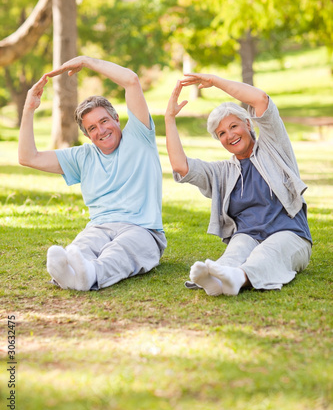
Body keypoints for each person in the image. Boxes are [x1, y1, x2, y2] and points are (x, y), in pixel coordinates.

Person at [18, 56, 166, 291]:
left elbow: (131, 81)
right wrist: (28, 109)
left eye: (104, 121)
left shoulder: (139, 136)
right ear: (87, 135)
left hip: (143, 230)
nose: (101, 131)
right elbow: (28, 157)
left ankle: (90, 274)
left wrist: (86, 61)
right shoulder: (83, 156)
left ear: (117, 119)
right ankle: (70, 273)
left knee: (119, 250)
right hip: (99, 227)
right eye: (92, 128)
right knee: (83, 246)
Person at [165, 73, 312, 296]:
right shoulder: (223, 172)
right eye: (221, 133)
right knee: (234, 252)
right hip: (248, 236)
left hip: (290, 234)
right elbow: (181, 167)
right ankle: (217, 280)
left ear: (247, 123)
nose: (230, 135)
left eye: (234, 126)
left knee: (267, 254)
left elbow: (261, 99)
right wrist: (169, 117)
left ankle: (238, 278)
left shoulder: (273, 147)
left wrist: (214, 82)